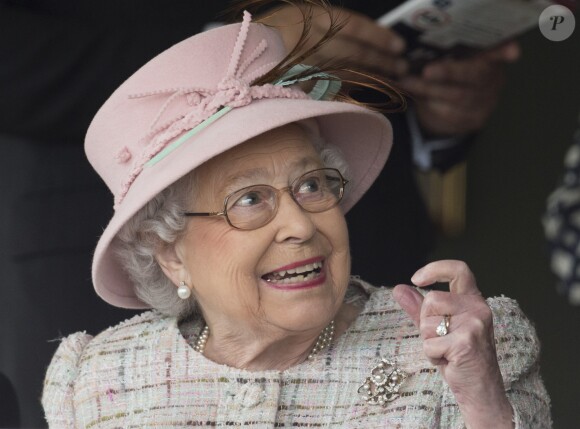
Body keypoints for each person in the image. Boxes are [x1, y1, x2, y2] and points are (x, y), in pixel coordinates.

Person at [42, 7, 550, 427]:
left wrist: (483, 402)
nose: (302, 226)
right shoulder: (96, 379)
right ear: (171, 254)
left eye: (311, 186)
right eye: (249, 200)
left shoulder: (468, 347)